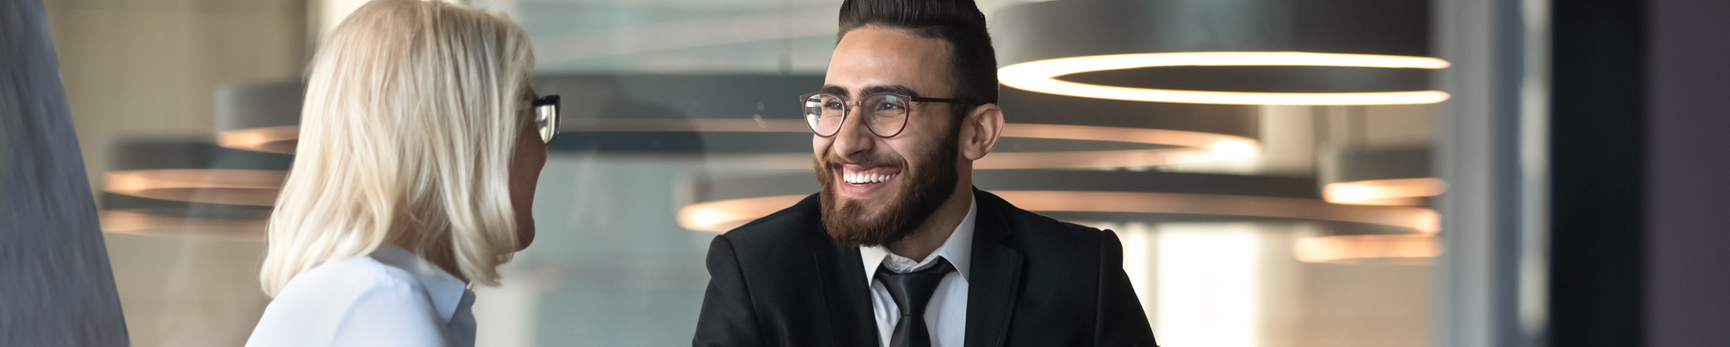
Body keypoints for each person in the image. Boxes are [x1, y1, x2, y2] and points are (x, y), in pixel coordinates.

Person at [691, 0, 1158, 346]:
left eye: (889, 106)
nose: (848, 142)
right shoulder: (755, 275)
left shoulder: (1081, 275)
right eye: (834, 104)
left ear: (978, 132)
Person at [245, 1, 558, 346]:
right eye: (534, 116)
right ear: (465, 139)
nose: (543, 148)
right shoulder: (381, 306)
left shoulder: (347, 298)